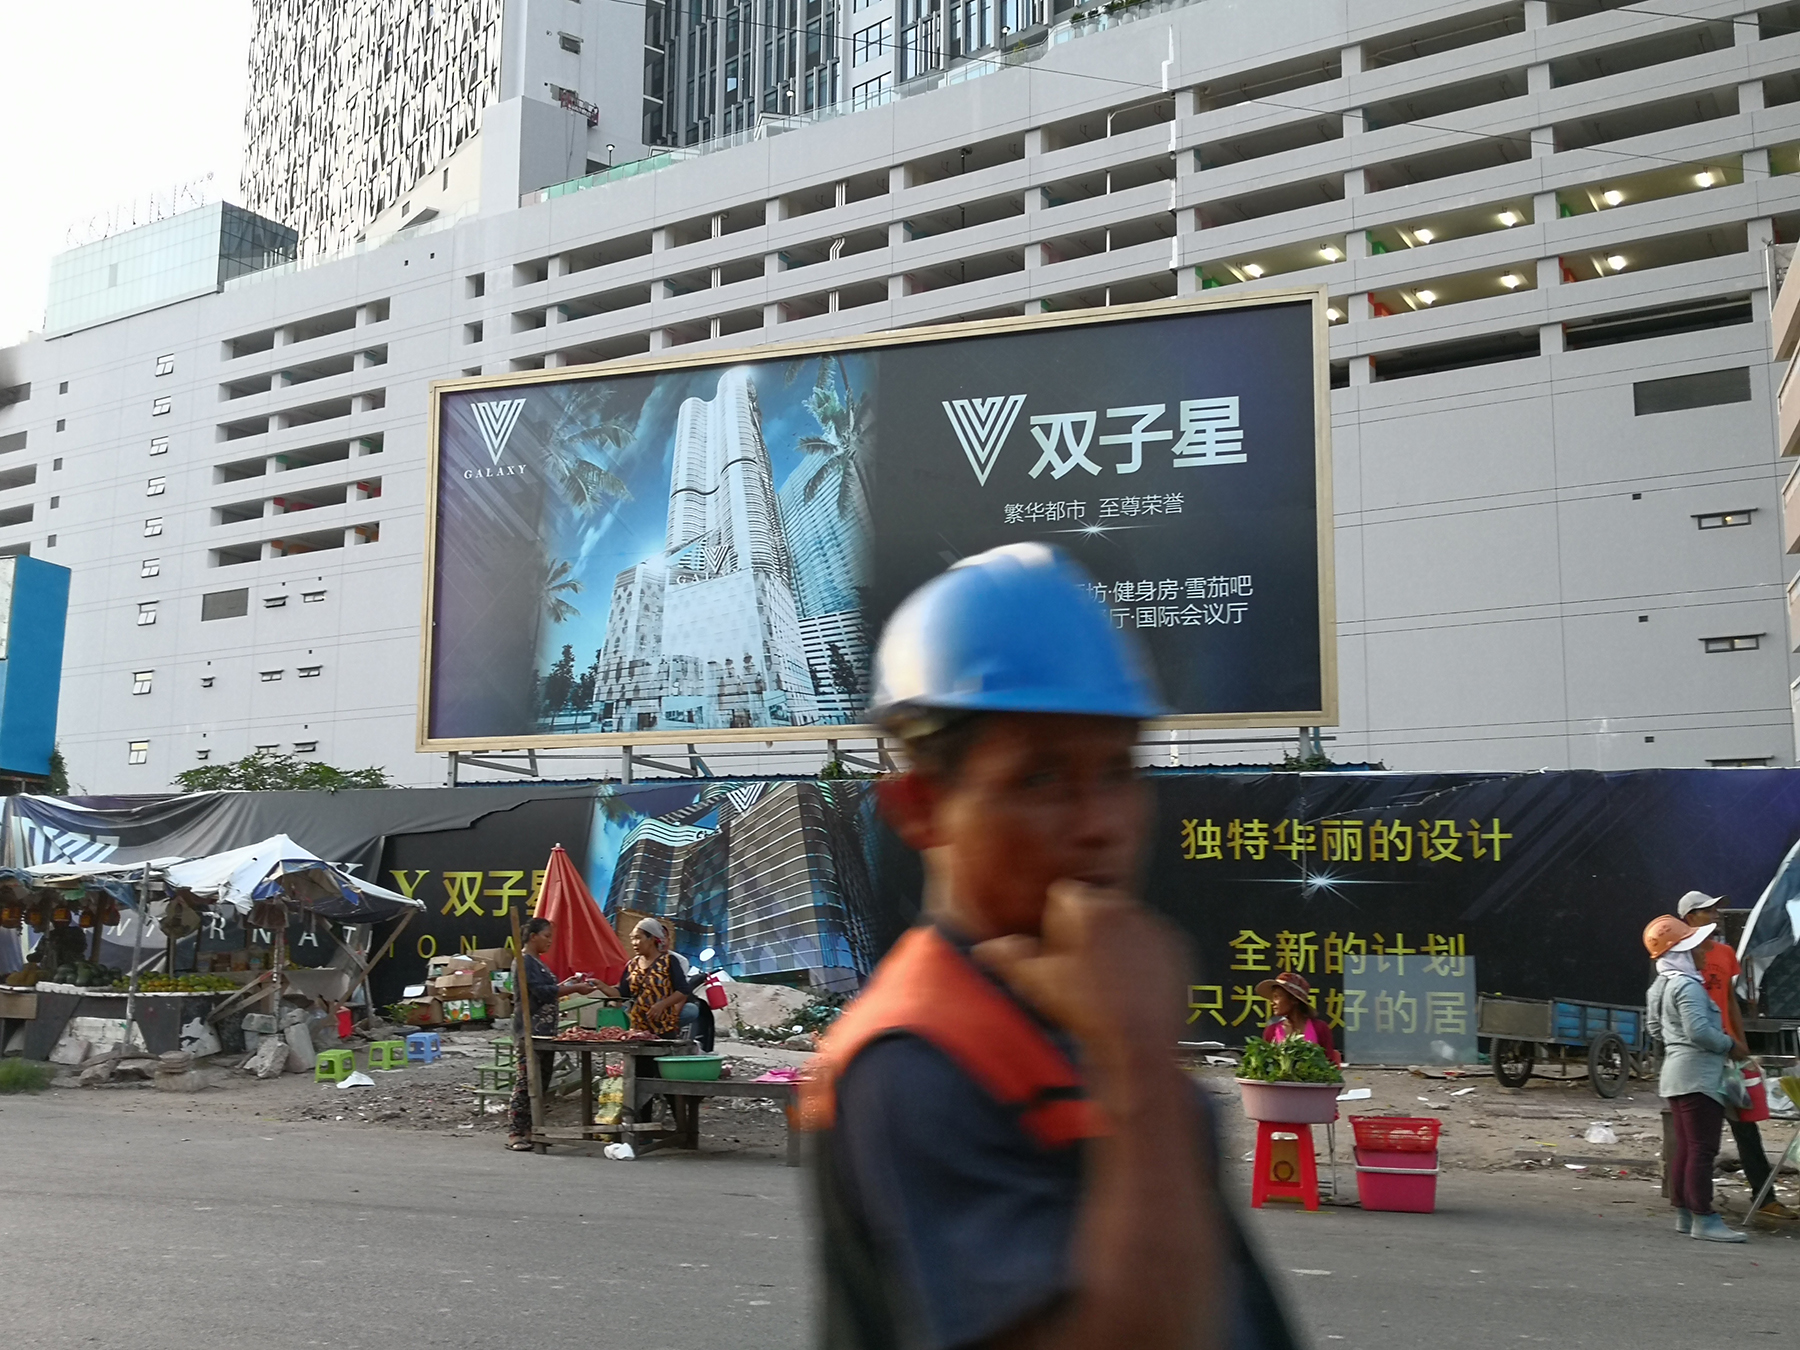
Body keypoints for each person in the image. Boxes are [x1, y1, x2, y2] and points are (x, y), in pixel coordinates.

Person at [803, 543, 1298, 1349]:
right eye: (1040, 780)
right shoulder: (913, 1058)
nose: (1102, 822)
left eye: (1116, 771)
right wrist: (1139, 1063)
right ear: (920, 806)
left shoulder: (1073, 1002)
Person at [1676, 890, 1796, 1221]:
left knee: (1744, 1124)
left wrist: (1741, 1046)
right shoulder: (1679, 956)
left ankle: (1764, 1197)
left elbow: (1730, 1001)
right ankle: (1691, 1205)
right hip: (1699, 1056)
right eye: (1707, 911)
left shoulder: (1725, 953)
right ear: (1690, 918)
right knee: (1699, 1136)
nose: (1716, 914)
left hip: (1728, 1055)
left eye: (1716, 909)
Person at [1644, 913, 1749, 1243]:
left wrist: (1678, 1043)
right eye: (1698, 948)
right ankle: (1704, 1217)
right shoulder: (1687, 986)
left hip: (1675, 1073)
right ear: (1683, 952)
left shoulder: (1660, 985)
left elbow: (1654, 1029)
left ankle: (1685, 1213)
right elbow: (1700, 1032)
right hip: (1698, 1075)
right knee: (1703, 1149)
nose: (1705, 953)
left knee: (1686, 1149)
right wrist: (1730, 1044)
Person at [506, 916, 597, 1151]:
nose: (549, 942)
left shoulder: (539, 963)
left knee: (542, 1081)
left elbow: (550, 989)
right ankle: (516, 1132)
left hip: (546, 1032)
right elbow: (540, 992)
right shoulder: (524, 961)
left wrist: (568, 983)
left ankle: (531, 1129)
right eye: (546, 937)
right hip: (530, 1031)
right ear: (533, 936)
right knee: (527, 1081)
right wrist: (575, 988)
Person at [618, 917, 694, 1040]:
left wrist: (662, 1005)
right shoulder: (632, 964)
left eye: (638, 938)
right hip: (638, 1027)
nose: (634, 943)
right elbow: (622, 993)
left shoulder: (670, 961)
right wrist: (600, 986)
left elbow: (683, 990)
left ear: (652, 939)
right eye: (632, 938)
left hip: (663, 1025)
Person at [1256, 971, 1341, 1067]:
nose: (1272, 1002)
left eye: (1277, 997)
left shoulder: (1320, 1028)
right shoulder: (1271, 1031)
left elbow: (1329, 1064)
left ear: (1294, 1000)